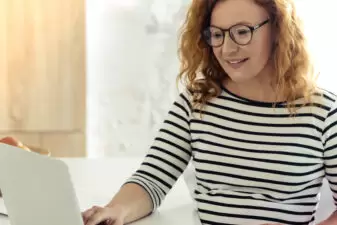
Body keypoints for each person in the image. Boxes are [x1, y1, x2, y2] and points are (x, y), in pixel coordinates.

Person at [2, 0, 337, 224]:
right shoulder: (197, 100)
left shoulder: (322, 111)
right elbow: (152, 178)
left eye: (242, 31)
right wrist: (115, 210)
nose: (228, 47)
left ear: (278, 29)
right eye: (216, 34)